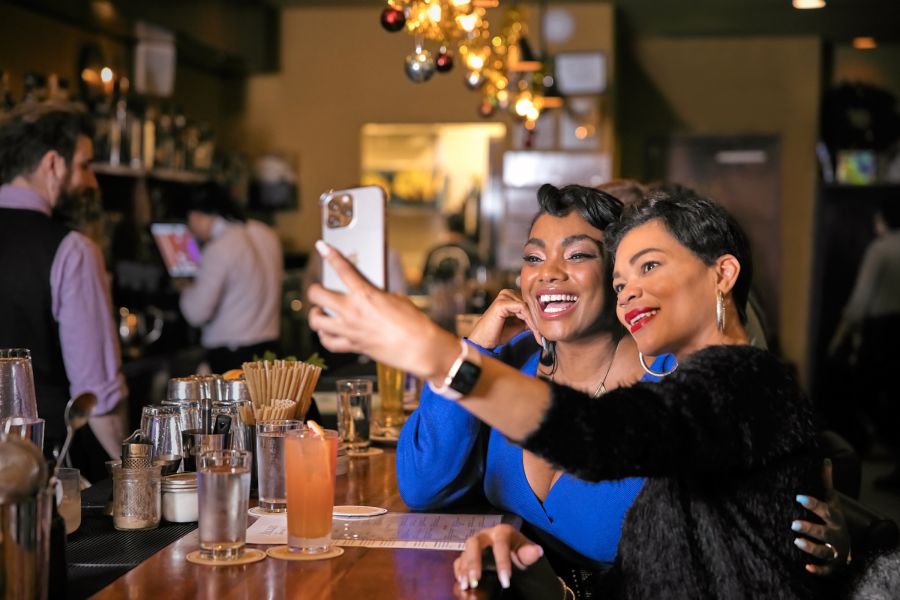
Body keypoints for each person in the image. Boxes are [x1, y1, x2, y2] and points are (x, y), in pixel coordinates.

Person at [308, 186, 843, 598]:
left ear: (722, 273)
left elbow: (601, 437)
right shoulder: (705, 382)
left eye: (649, 266)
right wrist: (542, 575)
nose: (631, 288)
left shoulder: (736, 381)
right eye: (624, 278)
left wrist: (442, 355)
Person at [397, 184, 671, 592]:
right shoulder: (510, 360)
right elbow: (422, 485)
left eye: (577, 255)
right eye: (533, 258)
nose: (548, 273)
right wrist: (474, 349)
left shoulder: (670, 380)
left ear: (618, 274)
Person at [0, 102, 127, 476]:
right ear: (53, 164)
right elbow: (97, 397)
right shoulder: (72, 249)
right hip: (41, 472)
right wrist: (130, 477)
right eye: (85, 165)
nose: (92, 182)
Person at [830, 202, 900, 490]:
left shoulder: (881, 249)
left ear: (883, 220)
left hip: (883, 330)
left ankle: (882, 448)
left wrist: (838, 341)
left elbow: (860, 301)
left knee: (869, 393)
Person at [178, 182, 283, 373]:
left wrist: (185, 288)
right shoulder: (267, 234)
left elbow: (197, 312)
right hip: (270, 349)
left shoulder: (220, 247)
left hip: (232, 356)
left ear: (196, 216)